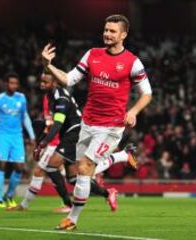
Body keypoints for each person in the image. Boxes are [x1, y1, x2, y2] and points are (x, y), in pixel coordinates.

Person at [41, 14, 153, 230]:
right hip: (88, 122)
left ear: (123, 34)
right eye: (106, 30)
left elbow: (147, 93)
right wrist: (48, 65)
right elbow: (69, 79)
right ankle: (122, 155)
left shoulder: (132, 62)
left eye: (112, 31)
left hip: (111, 126)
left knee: (84, 167)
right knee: (81, 171)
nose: (107, 34)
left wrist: (134, 111)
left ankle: (72, 220)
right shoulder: (92, 54)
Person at [8, 71, 137, 213]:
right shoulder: (50, 96)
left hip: (75, 133)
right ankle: (108, 193)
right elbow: (52, 123)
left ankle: (67, 205)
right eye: (42, 81)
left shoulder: (61, 98)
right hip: (69, 134)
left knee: (51, 166)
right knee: (73, 178)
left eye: (45, 82)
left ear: (55, 82)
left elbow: (57, 124)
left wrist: (43, 143)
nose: (42, 84)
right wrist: (41, 141)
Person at [0, 72, 35, 208]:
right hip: (3, 135)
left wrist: (32, 136)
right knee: (1, 165)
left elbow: (25, 117)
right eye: (11, 83)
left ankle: (9, 195)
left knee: (20, 168)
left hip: (17, 136)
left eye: (16, 83)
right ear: (6, 84)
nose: (14, 86)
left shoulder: (21, 98)